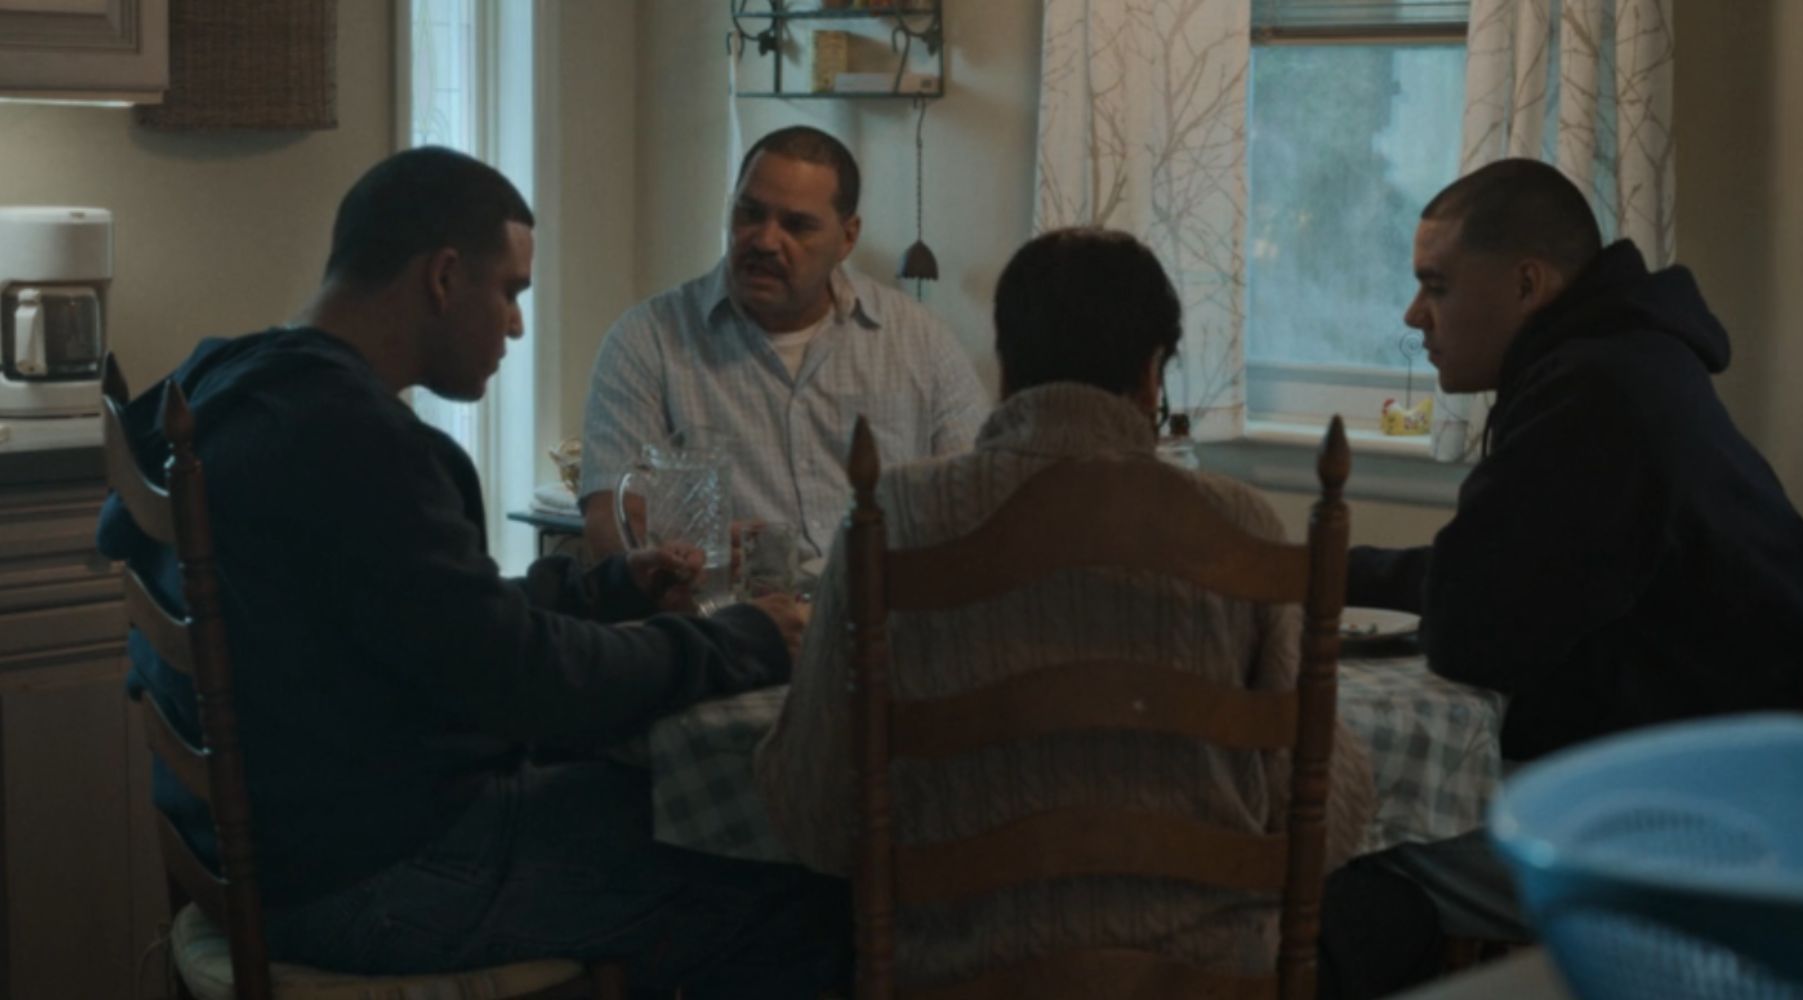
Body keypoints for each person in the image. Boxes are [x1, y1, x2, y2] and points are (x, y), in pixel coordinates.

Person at [100, 147, 845, 996]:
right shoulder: (357, 443)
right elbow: (527, 683)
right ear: (445, 277)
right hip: (366, 879)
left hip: (279, 851)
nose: (518, 326)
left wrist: (605, 589)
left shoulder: (233, 386)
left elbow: (437, 623)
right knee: (790, 873)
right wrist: (739, 640)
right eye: (511, 292)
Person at [754, 227, 1379, 988]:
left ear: (1006, 365)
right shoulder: (1239, 528)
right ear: (1153, 376)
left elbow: (818, 817)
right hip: (1203, 979)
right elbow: (1323, 826)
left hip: (958, 976)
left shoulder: (893, 517)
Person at [1343, 157, 1803, 942]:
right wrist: (1339, 574)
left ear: (1528, 285)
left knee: (1323, 845)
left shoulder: (1593, 395)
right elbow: (1505, 578)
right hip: (1726, 772)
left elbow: (1475, 634)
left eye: (1437, 286)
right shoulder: (1625, 360)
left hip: (1684, 831)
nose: (1412, 316)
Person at [580, 125, 988, 566]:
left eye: (797, 225)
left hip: (881, 616)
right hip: (723, 621)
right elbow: (610, 521)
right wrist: (691, 562)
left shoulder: (919, 341)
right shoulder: (650, 341)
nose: (765, 240)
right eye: (749, 214)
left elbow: (978, 501)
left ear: (847, 238)